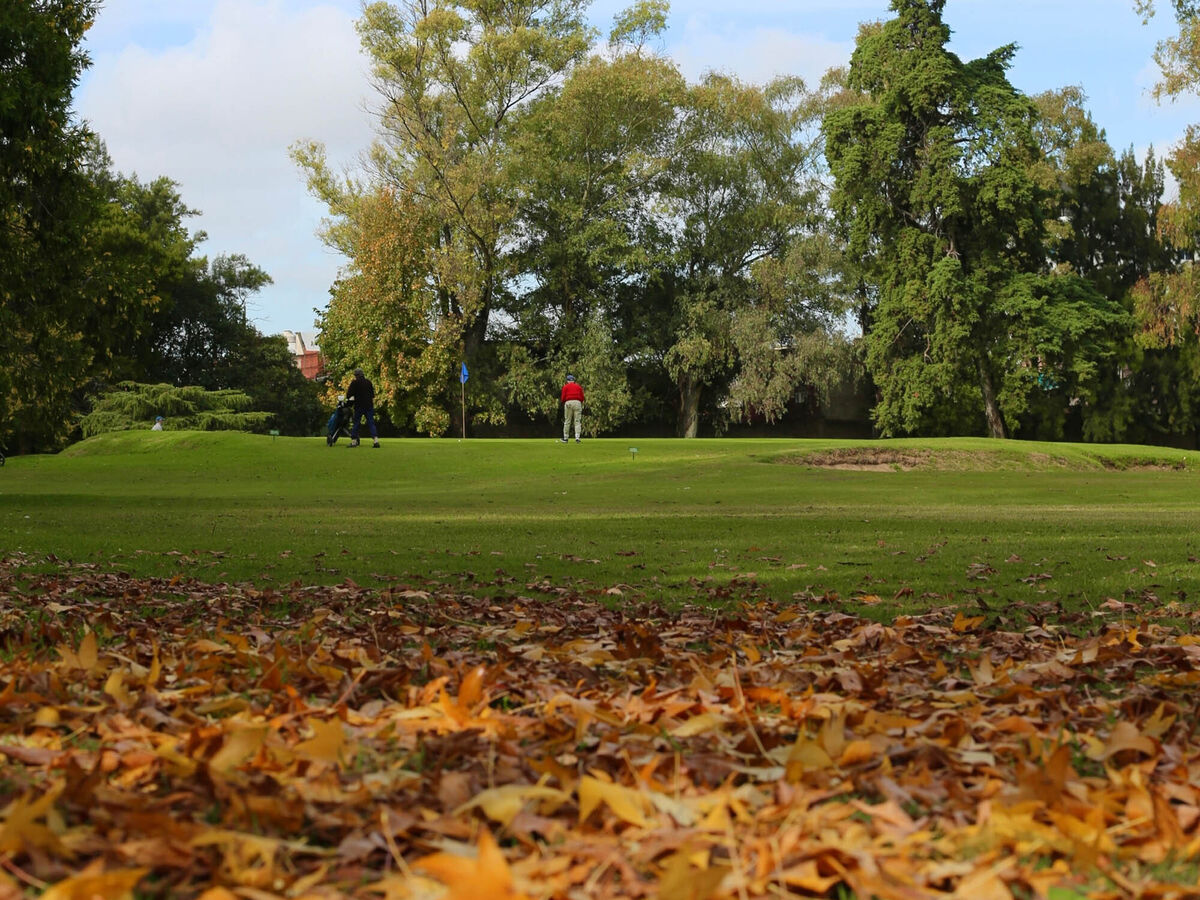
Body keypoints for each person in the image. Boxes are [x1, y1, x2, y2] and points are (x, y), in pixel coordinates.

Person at [345, 368, 380, 448]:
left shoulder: (355, 383)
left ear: (356, 375)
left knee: (356, 423)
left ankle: (354, 442)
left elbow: (349, 395)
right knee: (371, 423)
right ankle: (376, 441)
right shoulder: (368, 382)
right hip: (369, 405)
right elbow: (372, 395)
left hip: (359, 406)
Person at [559, 374, 584, 443]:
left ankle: (566, 438)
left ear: (567, 380)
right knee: (577, 421)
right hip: (577, 402)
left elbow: (563, 397)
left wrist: (564, 402)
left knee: (567, 421)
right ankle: (577, 438)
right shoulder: (578, 387)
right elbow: (582, 397)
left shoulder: (565, 387)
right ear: (573, 380)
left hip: (569, 402)